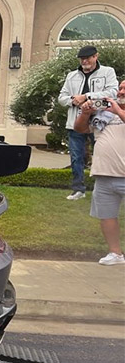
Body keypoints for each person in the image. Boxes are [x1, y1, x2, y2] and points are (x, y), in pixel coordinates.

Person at [74, 78, 125, 265]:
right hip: (104, 174)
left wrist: (117, 111)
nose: (120, 92)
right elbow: (79, 129)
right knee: (107, 215)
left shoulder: (113, 111)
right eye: (120, 88)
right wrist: (85, 114)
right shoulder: (103, 114)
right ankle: (115, 254)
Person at [58, 45, 119, 200]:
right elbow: (61, 97)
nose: (84, 61)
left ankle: (101, 189)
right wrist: (74, 101)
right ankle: (78, 189)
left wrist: (87, 96)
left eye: (88, 57)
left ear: (95, 56)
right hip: (75, 122)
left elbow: (113, 93)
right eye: (82, 58)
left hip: (99, 123)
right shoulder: (72, 76)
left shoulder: (107, 72)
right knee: (76, 157)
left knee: (102, 156)